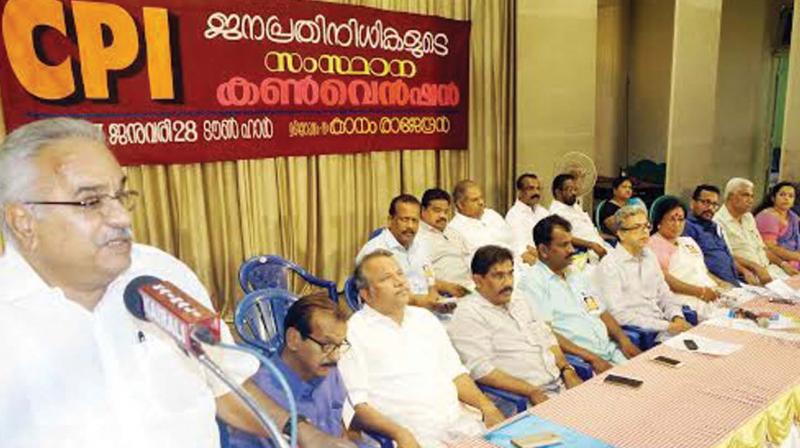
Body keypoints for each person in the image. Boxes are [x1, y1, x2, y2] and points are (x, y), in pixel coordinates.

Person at [0, 118, 354, 448]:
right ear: (23, 221)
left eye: (121, 196)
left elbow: (226, 386)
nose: (122, 217)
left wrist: (305, 434)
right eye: (90, 201)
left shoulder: (161, 273)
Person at [339, 250, 504, 448]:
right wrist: (400, 433)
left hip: (460, 425)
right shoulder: (352, 333)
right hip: (411, 437)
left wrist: (486, 405)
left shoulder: (424, 318)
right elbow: (357, 405)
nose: (399, 281)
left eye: (400, 273)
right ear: (366, 294)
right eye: (386, 278)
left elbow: (456, 374)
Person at [447, 245, 582, 413]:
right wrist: (531, 391)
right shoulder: (468, 314)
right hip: (520, 400)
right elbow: (481, 370)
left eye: (510, 273)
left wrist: (566, 369)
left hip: (559, 384)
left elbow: (547, 337)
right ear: (478, 280)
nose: (508, 282)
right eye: (498, 276)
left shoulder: (519, 299)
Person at [229, 294, 364, 448]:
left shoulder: (330, 373)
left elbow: (340, 429)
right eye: (326, 345)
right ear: (293, 339)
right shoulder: (258, 395)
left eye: (339, 346)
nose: (336, 356)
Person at [517, 215, 641, 371]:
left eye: (570, 243)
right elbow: (547, 334)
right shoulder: (533, 282)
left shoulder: (575, 273)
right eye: (564, 245)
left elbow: (600, 311)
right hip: (584, 363)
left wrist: (624, 341)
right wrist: (592, 358)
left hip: (611, 351)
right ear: (543, 250)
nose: (572, 250)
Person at [594, 205, 692, 340]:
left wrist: (677, 317)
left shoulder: (649, 256)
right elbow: (618, 314)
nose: (644, 232)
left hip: (664, 327)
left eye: (646, 226)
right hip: (641, 333)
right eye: (636, 228)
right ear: (621, 233)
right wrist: (666, 326)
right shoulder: (610, 265)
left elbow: (664, 294)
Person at [356, 194, 454, 313]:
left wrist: (434, 297)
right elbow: (381, 295)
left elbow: (429, 276)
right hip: (391, 314)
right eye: (404, 219)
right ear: (390, 220)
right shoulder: (374, 252)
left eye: (414, 220)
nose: (410, 226)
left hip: (426, 311)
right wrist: (419, 302)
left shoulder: (421, 244)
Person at [648, 196, 731, 320]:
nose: (677, 224)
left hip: (709, 293)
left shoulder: (688, 241)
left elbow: (702, 271)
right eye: (672, 219)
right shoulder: (655, 243)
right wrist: (700, 292)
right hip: (683, 298)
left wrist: (720, 283)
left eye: (681, 219)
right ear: (659, 222)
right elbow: (664, 279)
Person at [714, 178, 797, 283]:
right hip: (746, 275)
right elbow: (726, 256)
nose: (750, 200)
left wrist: (783, 264)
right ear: (731, 196)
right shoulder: (718, 222)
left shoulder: (748, 217)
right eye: (745, 195)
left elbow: (763, 248)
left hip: (769, 270)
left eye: (752, 196)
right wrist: (753, 268)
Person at [682, 185, 747, 286]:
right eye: (705, 202)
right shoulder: (687, 227)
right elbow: (693, 266)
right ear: (692, 203)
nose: (710, 208)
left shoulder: (715, 226)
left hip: (735, 282)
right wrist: (719, 283)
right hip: (713, 285)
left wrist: (744, 272)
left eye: (714, 204)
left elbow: (727, 256)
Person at [417, 188, 474, 295]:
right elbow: (420, 274)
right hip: (447, 291)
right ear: (423, 210)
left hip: (471, 285)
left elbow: (469, 258)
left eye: (446, 211)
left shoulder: (453, 232)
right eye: (437, 210)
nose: (442, 216)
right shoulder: (417, 236)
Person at [447, 180, 518, 261]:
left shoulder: (492, 214)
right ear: (460, 205)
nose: (481, 202)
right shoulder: (454, 229)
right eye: (475, 200)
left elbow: (512, 239)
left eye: (481, 198)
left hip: (516, 263)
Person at [548, 174, 610, 258]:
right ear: (558, 192)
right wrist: (591, 245)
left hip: (599, 244)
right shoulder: (556, 212)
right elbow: (564, 237)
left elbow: (588, 229)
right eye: (570, 190)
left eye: (575, 189)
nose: (574, 193)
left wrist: (610, 237)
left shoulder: (575, 206)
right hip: (584, 251)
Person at [755, 182, 800, 271]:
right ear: (773, 198)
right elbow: (770, 247)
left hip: (794, 259)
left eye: (791, 196)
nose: (786, 198)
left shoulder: (793, 217)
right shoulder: (767, 217)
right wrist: (797, 257)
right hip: (774, 262)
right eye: (782, 195)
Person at [505, 173, 549, 259]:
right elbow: (522, 250)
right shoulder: (514, 216)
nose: (536, 192)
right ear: (520, 192)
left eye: (538, 188)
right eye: (531, 188)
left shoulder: (543, 212)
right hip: (531, 263)